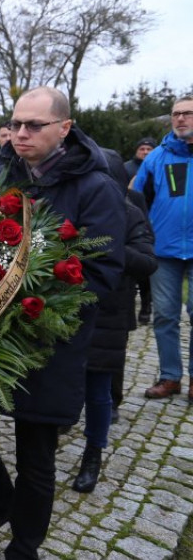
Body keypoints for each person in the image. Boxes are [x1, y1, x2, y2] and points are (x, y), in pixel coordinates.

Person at [0, 87, 124, 560]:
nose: (19, 134)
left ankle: (23, 550)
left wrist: (34, 296)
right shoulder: (6, 174)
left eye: (34, 126)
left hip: (50, 340)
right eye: (16, 124)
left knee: (36, 453)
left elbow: (105, 273)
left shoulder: (95, 187)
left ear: (64, 128)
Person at [70, 150, 156, 494]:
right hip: (68, 307)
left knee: (98, 390)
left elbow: (148, 263)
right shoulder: (73, 205)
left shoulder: (130, 213)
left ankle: (93, 454)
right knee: (63, 380)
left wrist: (109, 245)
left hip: (109, 311)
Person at [133, 95, 193, 403]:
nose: (180, 119)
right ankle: (171, 377)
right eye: (176, 114)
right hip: (164, 250)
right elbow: (133, 199)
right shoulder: (157, 157)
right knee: (165, 316)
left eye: (187, 114)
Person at [125, 137, 157, 324]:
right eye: (142, 148)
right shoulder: (126, 168)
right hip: (131, 219)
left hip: (150, 219)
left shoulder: (156, 168)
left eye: (149, 149)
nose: (145, 152)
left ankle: (146, 305)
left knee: (145, 271)